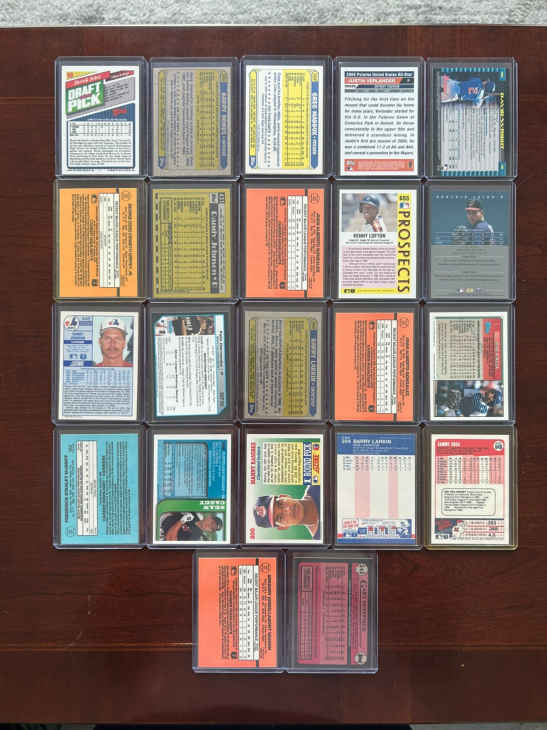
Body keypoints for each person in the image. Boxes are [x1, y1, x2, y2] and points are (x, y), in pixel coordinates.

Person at [253, 484, 321, 539]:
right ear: (283, 527)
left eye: (281, 504)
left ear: (285, 496)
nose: (288, 510)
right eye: (280, 517)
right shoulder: (320, 541)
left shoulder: (319, 483)